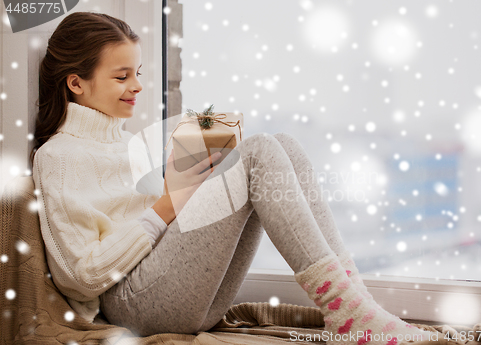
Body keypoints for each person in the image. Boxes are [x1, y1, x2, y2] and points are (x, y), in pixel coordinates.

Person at [31, 11, 433, 344]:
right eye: (121, 77)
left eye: (136, 72)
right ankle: (349, 315)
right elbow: (82, 276)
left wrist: (186, 176)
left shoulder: (126, 144)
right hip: (133, 303)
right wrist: (170, 202)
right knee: (257, 152)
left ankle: (355, 305)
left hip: (173, 290)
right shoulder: (58, 158)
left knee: (283, 144)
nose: (137, 86)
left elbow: (149, 218)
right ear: (76, 83)